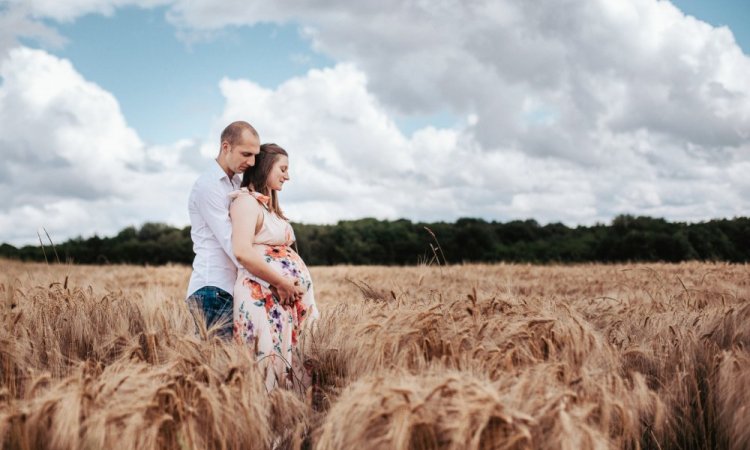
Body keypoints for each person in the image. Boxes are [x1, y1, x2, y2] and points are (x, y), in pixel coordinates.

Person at [186, 122, 302, 339]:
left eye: (255, 156)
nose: (251, 162)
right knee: (220, 366)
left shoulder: (235, 184)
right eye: (246, 154)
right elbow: (236, 248)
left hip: (231, 289)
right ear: (226, 147)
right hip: (214, 288)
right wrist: (276, 282)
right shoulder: (208, 186)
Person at [230, 143, 319, 391]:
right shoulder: (246, 202)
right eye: (283, 168)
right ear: (266, 166)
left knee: (286, 368)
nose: (287, 176)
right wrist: (280, 282)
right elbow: (242, 251)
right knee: (266, 367)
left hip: (283, 300)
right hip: (263, 296)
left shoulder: (267, 206)